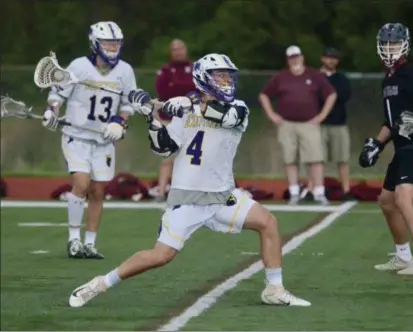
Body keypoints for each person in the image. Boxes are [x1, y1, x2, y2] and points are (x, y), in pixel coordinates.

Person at [68, 53, 311, 308]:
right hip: (187, 198)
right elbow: (165, 149)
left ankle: (274, 289)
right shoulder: (185, 112)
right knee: (160, 256)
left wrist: (188, 101)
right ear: (204, 78)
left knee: (268, 223)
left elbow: (222, 116)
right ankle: (101, 283)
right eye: (220, 76)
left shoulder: (239, 108)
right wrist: (151, 118)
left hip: (222, 196)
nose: (227, 81)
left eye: (228, 76)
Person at [42, 21, 136, 259]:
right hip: (77, 137)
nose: (112, 48)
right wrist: (52, 111)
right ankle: (74, 240)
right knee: (81, 185)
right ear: (95, 43)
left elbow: (128, 104)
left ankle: (90, 243)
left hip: (104, 142)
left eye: (115, 43)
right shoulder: (79, 66)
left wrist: (120, 122)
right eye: (107, 43)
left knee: (97, 192)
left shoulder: (125, 71)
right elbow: (57, 94)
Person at [359, 23, 413, 275]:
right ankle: (404, 256)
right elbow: (391, 123)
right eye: (386, 44)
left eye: (394, 43)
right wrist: (377, 144)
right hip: (402, 150)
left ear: (404, 45)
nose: (390, 48)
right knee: (386, 201)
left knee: (403, 199)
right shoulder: (388, 80)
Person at [259, 45, 337, 205]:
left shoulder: (314, 75)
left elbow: (331, 94)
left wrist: (321, 116)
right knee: (290, 159)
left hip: (309, 123)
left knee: (315, 159)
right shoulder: (281, 77)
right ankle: (294, 192)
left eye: (296, 57)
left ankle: (319, 192)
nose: (294, 60)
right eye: (291, 58)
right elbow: (264, 95)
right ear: (288, 60)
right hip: (287, 124)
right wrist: (271, 114)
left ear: (302, 57)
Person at [305, 47, 353, 201]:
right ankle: (312, 190)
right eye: (328, 57)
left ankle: (346, 190)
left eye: (334, 58)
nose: (331, 60)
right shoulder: (315, 77)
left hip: (338, 123)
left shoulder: (342, 79)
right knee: (316, 159)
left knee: (342, 159)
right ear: (322, 59)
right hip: (318, 125)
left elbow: (343, 96)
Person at [154, 39, 195, 201]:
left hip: (191, 119)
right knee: (167, 156)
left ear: (186, 50)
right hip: (169, 119)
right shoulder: (165, 71)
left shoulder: (194, 69)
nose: (178, 52)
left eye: (180, 49)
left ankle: (189, 191)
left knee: (191, 157)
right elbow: (161, 92)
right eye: (174, 49)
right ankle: (162, 191)